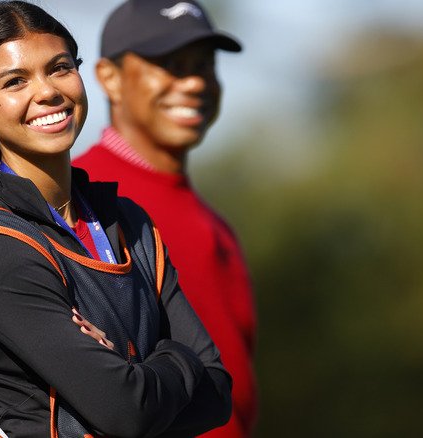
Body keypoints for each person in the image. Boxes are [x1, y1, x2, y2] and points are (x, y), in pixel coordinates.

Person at [0, 2, 231, 437]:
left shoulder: (128, 222)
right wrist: (177, 358)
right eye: (15, 81)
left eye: (59, 68)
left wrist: (136, 375)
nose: (47, 91)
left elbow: (218, 392)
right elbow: (127, 411)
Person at [71, 1, 256, 437]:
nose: (193, 81)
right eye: (170, 64)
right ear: (109, 78)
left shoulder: (215, 223)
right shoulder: (78, 199)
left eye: (204, 65)